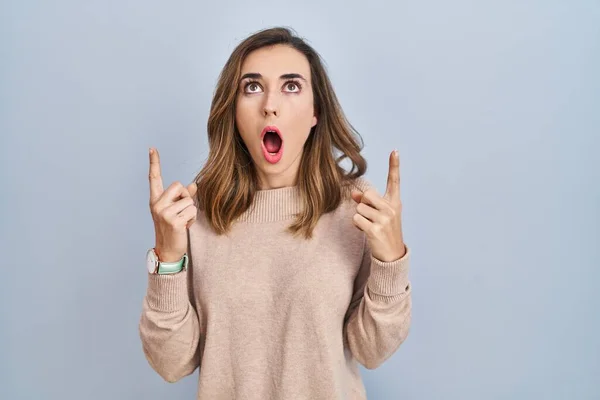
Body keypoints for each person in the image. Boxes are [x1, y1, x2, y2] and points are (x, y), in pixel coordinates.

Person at [139, 26, 411, 399]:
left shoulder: (356, 209)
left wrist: (391, 260)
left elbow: (372, 350)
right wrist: (168, 260)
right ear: (233, 112)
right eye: (252, 86)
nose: (270, 103)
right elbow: (172, 364)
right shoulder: (193, 216)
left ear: (316, 111)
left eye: (291, 85)